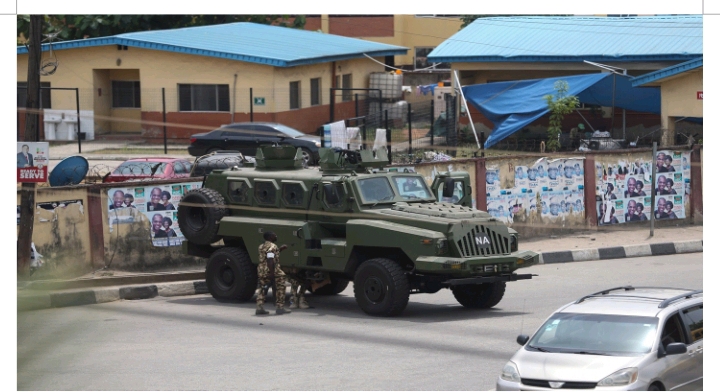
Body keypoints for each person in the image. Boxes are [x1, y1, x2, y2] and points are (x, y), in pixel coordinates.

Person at [256, 231, 291, 315]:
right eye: (274, 235)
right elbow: (270, 259)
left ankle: (259, 308)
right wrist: (272, 273)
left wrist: (280, 250)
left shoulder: (261, 246)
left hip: (261, 269)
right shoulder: (272, 246)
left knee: (262, 288)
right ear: (270, 237)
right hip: (271, 269)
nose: (276, 236)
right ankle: (280, 307)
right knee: (281, 286)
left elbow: (268, 255)